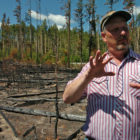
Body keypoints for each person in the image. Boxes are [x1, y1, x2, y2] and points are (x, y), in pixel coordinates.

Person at [63, 10, 140, 140]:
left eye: (125, 28)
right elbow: (67, 98)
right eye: (116, 29)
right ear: (104, 36)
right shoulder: (92, 67)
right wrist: (88, 76)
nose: (123, 33)